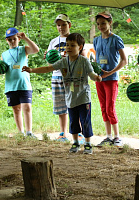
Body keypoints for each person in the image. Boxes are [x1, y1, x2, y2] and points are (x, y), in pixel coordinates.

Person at [23, 33, 103, 154]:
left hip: (83, 98)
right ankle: (75, 143)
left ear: (80, 47)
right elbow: (48, 68)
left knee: (85, 121)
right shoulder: (63, 61)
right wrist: (32, 70)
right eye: (67, 45)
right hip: (70, 98)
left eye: (72, 45)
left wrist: (96, 77)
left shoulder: (84, 61)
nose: (69, 48)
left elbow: (91, 74)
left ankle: (87, 144)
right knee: (73, 122)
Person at [0, 27, 39, 137]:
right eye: (10, 39)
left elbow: (36, 50)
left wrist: (26, 38)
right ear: (6, 40)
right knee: (16, 109)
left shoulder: (23, 49)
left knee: (27, 107)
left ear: (18, 39)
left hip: (24, 84)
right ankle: (20, 133)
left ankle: (29, 132)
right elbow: (3, 70)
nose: (12, 41)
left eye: (14, 39)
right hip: (11, 86)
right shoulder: (4, 54)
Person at [46, 14, 85, 144]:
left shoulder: (75, 39)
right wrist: (49, 57)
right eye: (58, 25)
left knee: (75, 104)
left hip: (72, 77)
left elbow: (83, 56)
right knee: (60, 106)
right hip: (57, 76)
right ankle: (62, 133)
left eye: (63, 24)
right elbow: (49, 63)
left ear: (69, 25)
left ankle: (79, 132)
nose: (61, 27)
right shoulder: (53, 42)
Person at [93, 12, 127, 147]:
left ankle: (117, 137)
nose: (100, 26)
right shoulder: (96, 40)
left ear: (110, 23)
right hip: (99, 79)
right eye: (98, 24)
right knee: (103, 107)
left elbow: (124, 61)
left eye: (103, 23)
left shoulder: (116, 39)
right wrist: (96, 72)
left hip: (111, 78)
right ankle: (108, 137)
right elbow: (97, 59)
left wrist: (110, 72)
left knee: (110, 107)